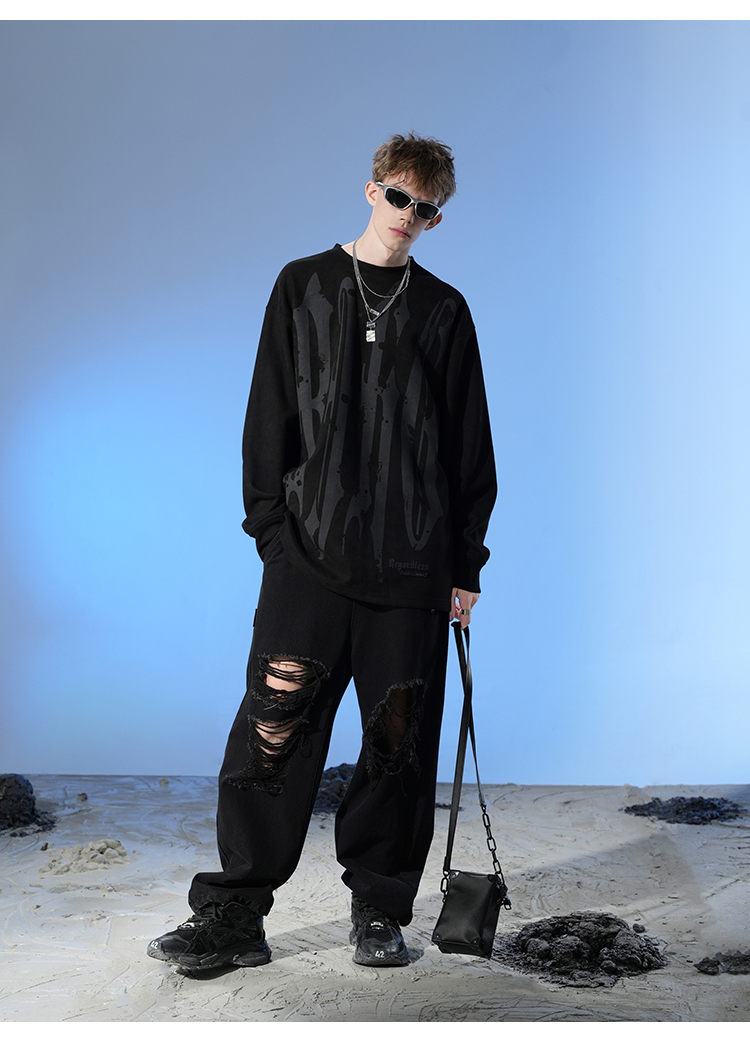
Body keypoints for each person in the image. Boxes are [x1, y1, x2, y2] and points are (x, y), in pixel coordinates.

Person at [147, 132, 496, 972]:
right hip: (306, 559)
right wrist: (272, 533)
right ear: (373, 191)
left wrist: (464, 566)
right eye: (399, 197)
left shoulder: (444, 310)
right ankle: (235, 914)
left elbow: (470, 445)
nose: (408, 215)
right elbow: (267, 413)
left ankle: (379, 909)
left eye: (426, 208)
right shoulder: (301, 285)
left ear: (437, 219)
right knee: (272, 733)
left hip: (412, 571)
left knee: (396, 747)